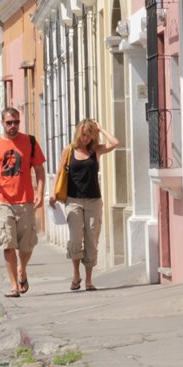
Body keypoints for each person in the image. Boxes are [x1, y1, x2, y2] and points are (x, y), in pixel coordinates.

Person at [0, 107, 46, 298]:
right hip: (3, 201)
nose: (13, 126)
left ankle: (22, 269)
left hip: (25, 200)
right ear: (2, 123)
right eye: (9, 122)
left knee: (26, 246)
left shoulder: (30, 142)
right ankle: (13, 286)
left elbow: (40, 170)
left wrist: (40, 192)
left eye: (16, 122)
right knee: (7, 243)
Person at [49, 119, 119, 291]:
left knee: (91, 241)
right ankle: (75, 274)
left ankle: (88, 280)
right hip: (73, 200)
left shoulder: (95, 150)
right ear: (78, 133)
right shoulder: (69, 150)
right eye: (84, 134)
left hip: (94, 200)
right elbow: (59, 173)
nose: (86, 138)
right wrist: (53, 194)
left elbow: (115, 143)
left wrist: (101, 128)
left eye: (89, 135)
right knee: (75, 239)